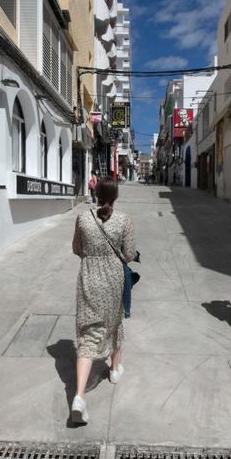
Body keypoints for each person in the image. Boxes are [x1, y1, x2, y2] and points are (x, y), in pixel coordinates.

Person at [70, 178, 136, 424]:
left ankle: (79, 396)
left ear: (96, 193)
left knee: (89, 333)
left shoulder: (83, 218)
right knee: (115, 322)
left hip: (88, 277)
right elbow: (128, 254)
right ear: (116, 196)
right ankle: (114, 370)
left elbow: (77, 248)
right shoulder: (123, 220)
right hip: (113, 279)